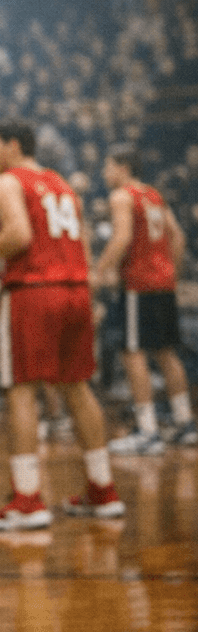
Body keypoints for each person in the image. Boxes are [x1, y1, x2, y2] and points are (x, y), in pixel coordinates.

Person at [0, 119, 124, 530]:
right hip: (75, 287)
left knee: (19, 388)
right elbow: (81, 240)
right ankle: (103, 490)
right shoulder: (61, 182)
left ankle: (28, 498)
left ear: (14, 145)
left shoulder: (5, 182)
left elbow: (17, 236)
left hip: (33, 290)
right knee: (77, 386)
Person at [92, 145, 193, 452]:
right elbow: (178, 235)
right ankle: (184, 423)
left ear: (123, 167)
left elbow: (121, 237)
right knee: (166, 353)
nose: (104, 172)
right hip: (163, 284)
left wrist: (99, 272)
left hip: (138, 285)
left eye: (108, 166)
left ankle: (147, 431)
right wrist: (167, 270)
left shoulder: (122, 196)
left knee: (133, 353)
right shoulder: (154, 195)